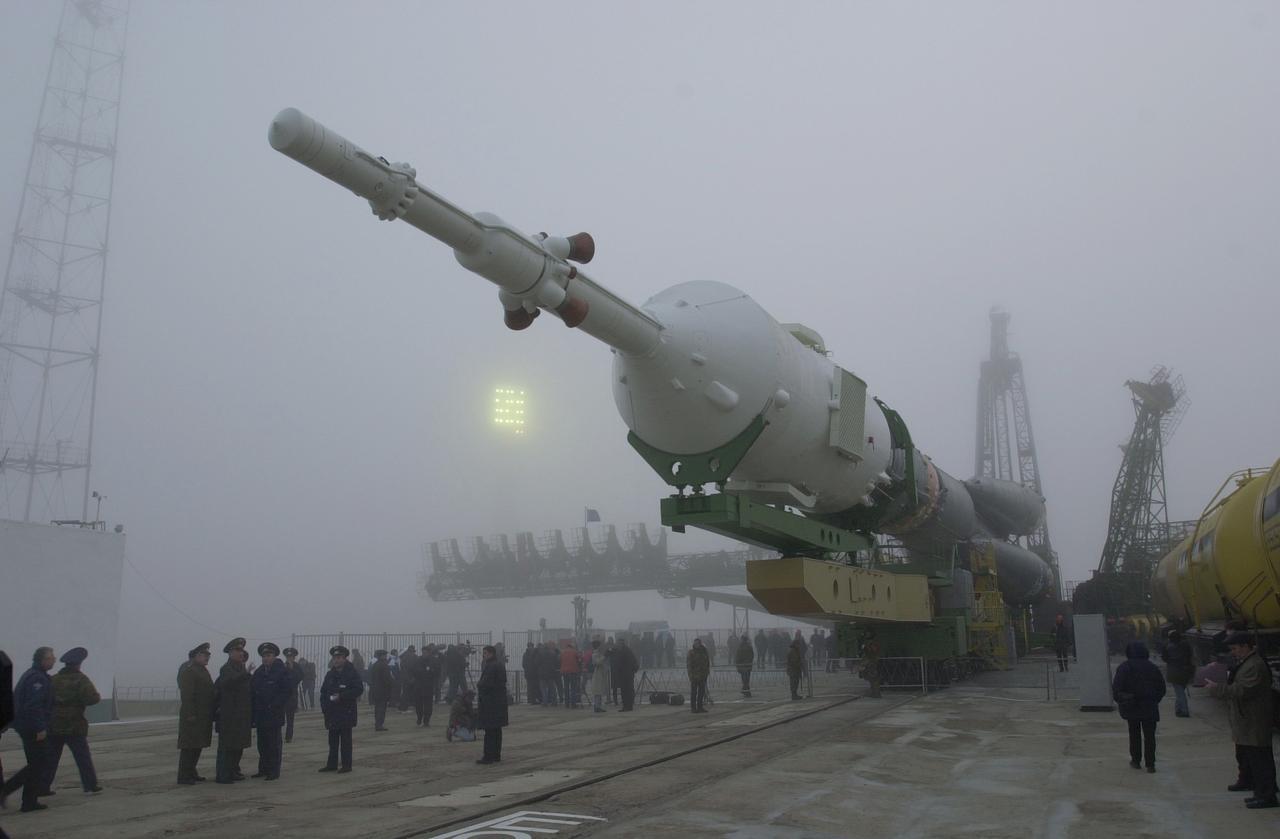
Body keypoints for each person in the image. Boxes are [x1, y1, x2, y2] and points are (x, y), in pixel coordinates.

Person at [1205, 632, 1277, 808]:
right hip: (1248, 719)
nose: (1233, 652)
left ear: (1246, 646)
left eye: (1235, 649)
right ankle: (1260, 792)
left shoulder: (1254, 665)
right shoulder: (1247, 662)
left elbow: (1242, 690)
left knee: (1261, 761)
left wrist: (1216, 689)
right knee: (1254, 760)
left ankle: (1267, 796)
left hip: (1255, 720)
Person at [42, 646, 102, 796]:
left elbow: (45, 699)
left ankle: (42, 786)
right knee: (82, 757)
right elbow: (92, 699)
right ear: (78, 664)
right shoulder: (81, 679)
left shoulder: (54, 679)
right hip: (73, 726)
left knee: (50, 758)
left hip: (54, 725)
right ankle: (90, 785)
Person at [1, 647, 56, 811]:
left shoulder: (35, 675)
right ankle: (6, 790)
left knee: (38, 763)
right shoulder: (36, 679)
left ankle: (29, 801)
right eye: (51, 657)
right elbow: (33, 706)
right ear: (42, 660)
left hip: (27, 725)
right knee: (40, 762)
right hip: (31, 727)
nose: (53, 660)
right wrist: (40, 728)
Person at [1111, 641, 1166, 773]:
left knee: (1134, 733)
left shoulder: (1124, 667)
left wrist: (1122, 700)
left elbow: (1117, 688)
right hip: (1149, 705)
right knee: (1150, 736)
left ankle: (1136, 760)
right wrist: (1154, 700)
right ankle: (1150, 764)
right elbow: (1161, 688)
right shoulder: (1152, 667)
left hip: (1132, 706)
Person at [250, 642, 292, 781]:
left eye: (268, 655)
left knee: (274, 744)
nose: (266, 658)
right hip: (261, 714)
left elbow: (286, 691)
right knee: (262, 744)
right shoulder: (260, 672)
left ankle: (274, 771)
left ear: (274, 656)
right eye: (264, 656)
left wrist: (275, 704)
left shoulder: (281, 671)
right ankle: (263, 769)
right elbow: (254, 689)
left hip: (274, 713)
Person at [319, 645, 364, 773]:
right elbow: (323, 692)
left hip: (345, 712)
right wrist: (325, 707)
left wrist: (342, 696)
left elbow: (358, 689)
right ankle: (331, 764)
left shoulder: (351, 673)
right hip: (332, 712)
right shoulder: (330, 674)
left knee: (345, 741)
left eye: (339, 657)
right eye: (335, 658)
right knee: (332, 741)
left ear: (344, 659)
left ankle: (346, 765)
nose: (337, 660)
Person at [213, 640, 251, 784]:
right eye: (237, 651)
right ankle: (223, 775)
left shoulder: (240, 668)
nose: (241, 653)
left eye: (242, 651)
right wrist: (245, 674)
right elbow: (229, 684)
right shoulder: (227, 668)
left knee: (238, 746)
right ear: (230, 653)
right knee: (226, 747)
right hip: (229, 714)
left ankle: (233, 771)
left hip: (241, 714)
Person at [176, 642, 214, 785]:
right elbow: (187, 694)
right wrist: (190, 713)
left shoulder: (201, 669)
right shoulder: (189, 670)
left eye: (208, 655)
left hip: (202, 714)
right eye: (205, 655)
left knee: (197, 745)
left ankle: (192, 772)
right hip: (192, 715)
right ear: (196, 656)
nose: (207, 658)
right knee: (189, 746)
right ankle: (184, 776)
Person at [476, 645, 508, 764]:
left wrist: (479, 685)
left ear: (490, 653)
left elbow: (486, 684)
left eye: (485, 653)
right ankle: (496, 755)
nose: (483, 655)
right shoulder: (499, 664)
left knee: (489, 731)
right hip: (498, 702)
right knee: (496, 730)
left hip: (490, 703)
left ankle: (488, 756)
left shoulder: (491, 666)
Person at [1161, 630, 1194, 718]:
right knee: (1180, 691)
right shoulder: (1186, 645)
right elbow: (1190, 655)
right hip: (1185, 671)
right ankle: (1178, 709)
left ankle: (1184, 710)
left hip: (1174, 671)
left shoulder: (1167, 646)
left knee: (1179, 692)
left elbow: (1164, 658)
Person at [282, 648, 305, 742]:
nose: (289, 658)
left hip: (292, 696)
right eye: (288, 656)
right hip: (282, 696)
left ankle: (288, 737)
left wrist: (292, 670)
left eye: (291, 656)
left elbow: (299, 678)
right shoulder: (282, 666)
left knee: (290, 719)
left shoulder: (297, 666)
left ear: (294, 657)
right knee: (279, 718)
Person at [368, 649, 394, 731]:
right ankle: (380, 725)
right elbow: (387, 678)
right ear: (382, 656)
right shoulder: (384, 665)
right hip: (383, 690)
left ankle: (377, 724)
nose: (386, 656)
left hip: (375, 689)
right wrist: (392, 684)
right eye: (384, 655)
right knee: (382, 708)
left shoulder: (375, 665)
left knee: (377, 708)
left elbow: (371, 677)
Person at [413, 645, 439, 727]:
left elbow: (437, 672)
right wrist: (426, 671)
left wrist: (430, 671)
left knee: (428, 705)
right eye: (423, 652)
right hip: (419, 686)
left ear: (429, 652)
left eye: (426, 652)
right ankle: (419, 718)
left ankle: (426, 721)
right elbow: (415, 671)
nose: (424, 654)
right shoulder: (418, 660)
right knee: (418, 704)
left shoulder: (433, 660)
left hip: (429, 686)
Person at [687, 637, 711, 714]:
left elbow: (707, 663)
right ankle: (693, 708)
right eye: (695, 643)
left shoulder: (704, 652)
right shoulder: (691, 653)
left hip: (703, 676)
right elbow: (689, 666)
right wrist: (691, 676)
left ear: (700, 644)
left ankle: (700, 707)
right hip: (694, 676)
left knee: (701, 692)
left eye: (697, 643)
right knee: (694, 693)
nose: (696, 644)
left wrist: (707, 672)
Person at [614, 638, 638, 711]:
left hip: (625, 675)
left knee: (625, 691)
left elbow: (619, 664)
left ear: (621, 643)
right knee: (628, 690)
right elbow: (635, 662)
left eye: (619, 643)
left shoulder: (623, 651)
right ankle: (628, 706)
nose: (618, 645)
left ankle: (627, 706)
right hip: (628, 674)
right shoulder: (627, 651)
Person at [589, 639, 611, 712]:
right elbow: (597, 662)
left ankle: (598, 706)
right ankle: (597, 706)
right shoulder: (595, 654)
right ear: (598, 646)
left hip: (601, 673)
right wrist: (604, 656)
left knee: (599, 690)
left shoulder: (598, 653)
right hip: (598, 674)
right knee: (598, 691)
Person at [560, 640, 582, 709]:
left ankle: (566, 704)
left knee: (566, 688)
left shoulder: (563, 652)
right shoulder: (574, 652)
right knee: (573, 688)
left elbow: (559, 660)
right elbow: (580, 659)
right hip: (573, 671)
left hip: (564, 672)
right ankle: (573, 704)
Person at [860, 630, 882, 698]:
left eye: (868, 634)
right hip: (870, 661)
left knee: (874, 678)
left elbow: (873, 651)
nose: (867, 635)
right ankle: (874, 692)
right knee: (871, 678)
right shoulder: (869, 642)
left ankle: (876, 693)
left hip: (872, 662)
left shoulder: (873, 643)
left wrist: (867, 648)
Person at [399, 646, 419, 713]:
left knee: (405, 692)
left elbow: (403, 668)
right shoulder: (414, 657)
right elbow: (415, 668)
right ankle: (406, 707)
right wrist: (413, 678)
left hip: (405, 677)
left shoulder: (404, 657)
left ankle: (403, 707)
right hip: (411, 677)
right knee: (410, 692)